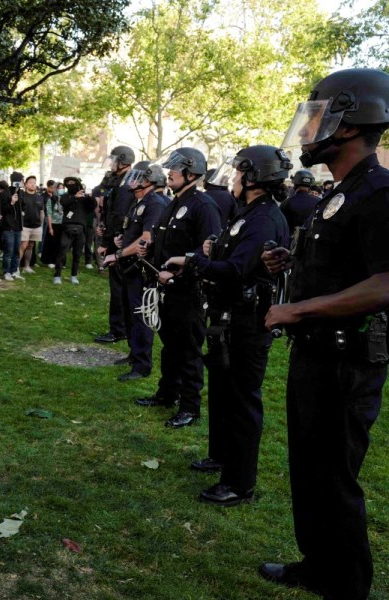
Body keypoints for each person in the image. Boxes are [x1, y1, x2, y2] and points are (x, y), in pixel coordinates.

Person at [260, 68, 389, 600]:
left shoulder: (378, 192)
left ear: (349, 123)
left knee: (335, 478)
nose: (309, 130)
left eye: (319, 118)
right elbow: (346, 265)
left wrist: (300, 308)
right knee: (310, 470)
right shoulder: (337, 194)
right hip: (316, 354)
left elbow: (384, 282)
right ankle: (318, 565)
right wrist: (290, 260)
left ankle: (348, 585)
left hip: (348, 359)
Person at [165, 145, 290, 505]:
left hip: (247, 325)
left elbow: (237, 272)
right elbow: (233, 256)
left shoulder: (263, 218)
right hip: (227, 321)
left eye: (238, 173)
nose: (233, 179)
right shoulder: (247, 213)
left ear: (253, 177)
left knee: (241, 402)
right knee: (222, 394)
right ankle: (221, 457)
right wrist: (209, 250)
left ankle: (239, 482)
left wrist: (190, 263)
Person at [137, 147, 222, 428]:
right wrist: (149, 250)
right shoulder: (173, 202)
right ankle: (167, 394)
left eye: (175, 167)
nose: (169, 172)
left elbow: (208, 248)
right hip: (166, 290)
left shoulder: (204, 205)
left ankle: (190, 407)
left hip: (188, 292)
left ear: (191, 172)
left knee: (188, 351)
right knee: (170, 347)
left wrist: (177, 269)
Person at [102, 161, 167, 381]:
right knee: (130, 314)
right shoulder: (137, 201)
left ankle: (142, 365)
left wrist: (118, 254)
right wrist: (121, 240)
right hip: (128, 269)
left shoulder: (154, 203)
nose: (134, 180)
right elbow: (133, 231)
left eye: (140, 177)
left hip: (140, 270)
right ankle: (133, 353)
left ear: (150, 181)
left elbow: (146, 238)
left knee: (141, 318)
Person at [96, 145, 137, 343]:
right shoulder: (122, 181)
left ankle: (118, 329)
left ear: (123, 161)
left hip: (118, 241)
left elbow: (119, 215)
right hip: (117, 238)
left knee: (118, 287)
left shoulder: (125, 185)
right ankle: (121, 327)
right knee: (119, 286)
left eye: (114, 160)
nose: (111, 163)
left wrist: (106, 241)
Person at [54, 176, 97, 284]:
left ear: (77, 184)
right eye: (68, 183)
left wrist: (90, 197)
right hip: (67, 228)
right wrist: (75, 197)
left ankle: (73, 275)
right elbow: (64, 203)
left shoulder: (84, 197)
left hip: (81, 229)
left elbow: (92, 207)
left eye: (72, 182)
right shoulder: (65, 196)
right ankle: (57, 275)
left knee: (77, 254)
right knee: (62, 252)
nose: (70, 184)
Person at [0, 171, 23, 280]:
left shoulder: (20, 193)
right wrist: (12, 203)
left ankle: (14, 270)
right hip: (8, 227)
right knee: (8, 251)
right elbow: (3, 210)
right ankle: (6, 271)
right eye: (21, 180)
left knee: (16, 251)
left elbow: (23, 206)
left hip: (18, 226)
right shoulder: (5, 193)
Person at [19, 175, 46, 273]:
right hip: (24, 225)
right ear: (25, 184)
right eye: (30, 182)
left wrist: (41, 225)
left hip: (36, 226)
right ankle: (16, 268)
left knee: (30, 245)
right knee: (23, 245)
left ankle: (27, 266)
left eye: (34, 182)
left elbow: (41, 212)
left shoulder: (39, 197)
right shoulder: (21, 196)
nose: (33, 184)